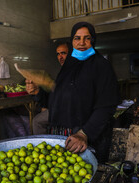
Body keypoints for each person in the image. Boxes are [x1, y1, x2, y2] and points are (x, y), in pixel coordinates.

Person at [48, 22, 120, 163]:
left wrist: (84, 133)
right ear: (72, 41)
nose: (82, 43)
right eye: (77, 38)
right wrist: (38, 92)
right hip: (65, 133)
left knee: (86, 172)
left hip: (88, 134)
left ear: (93, 40)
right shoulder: (68, 65)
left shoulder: (101, 66)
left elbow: (106, 105)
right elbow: (60, 95)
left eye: (87, 38)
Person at [25, 42, 69, 134]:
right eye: (58, 54)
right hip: (60, 107)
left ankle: (43, 143)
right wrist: (37, 92)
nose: (60, 57)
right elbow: (54, 95)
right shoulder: (63, 72)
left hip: (69, 109)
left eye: (63, 53)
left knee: (37, 121)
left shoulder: (74, 71)